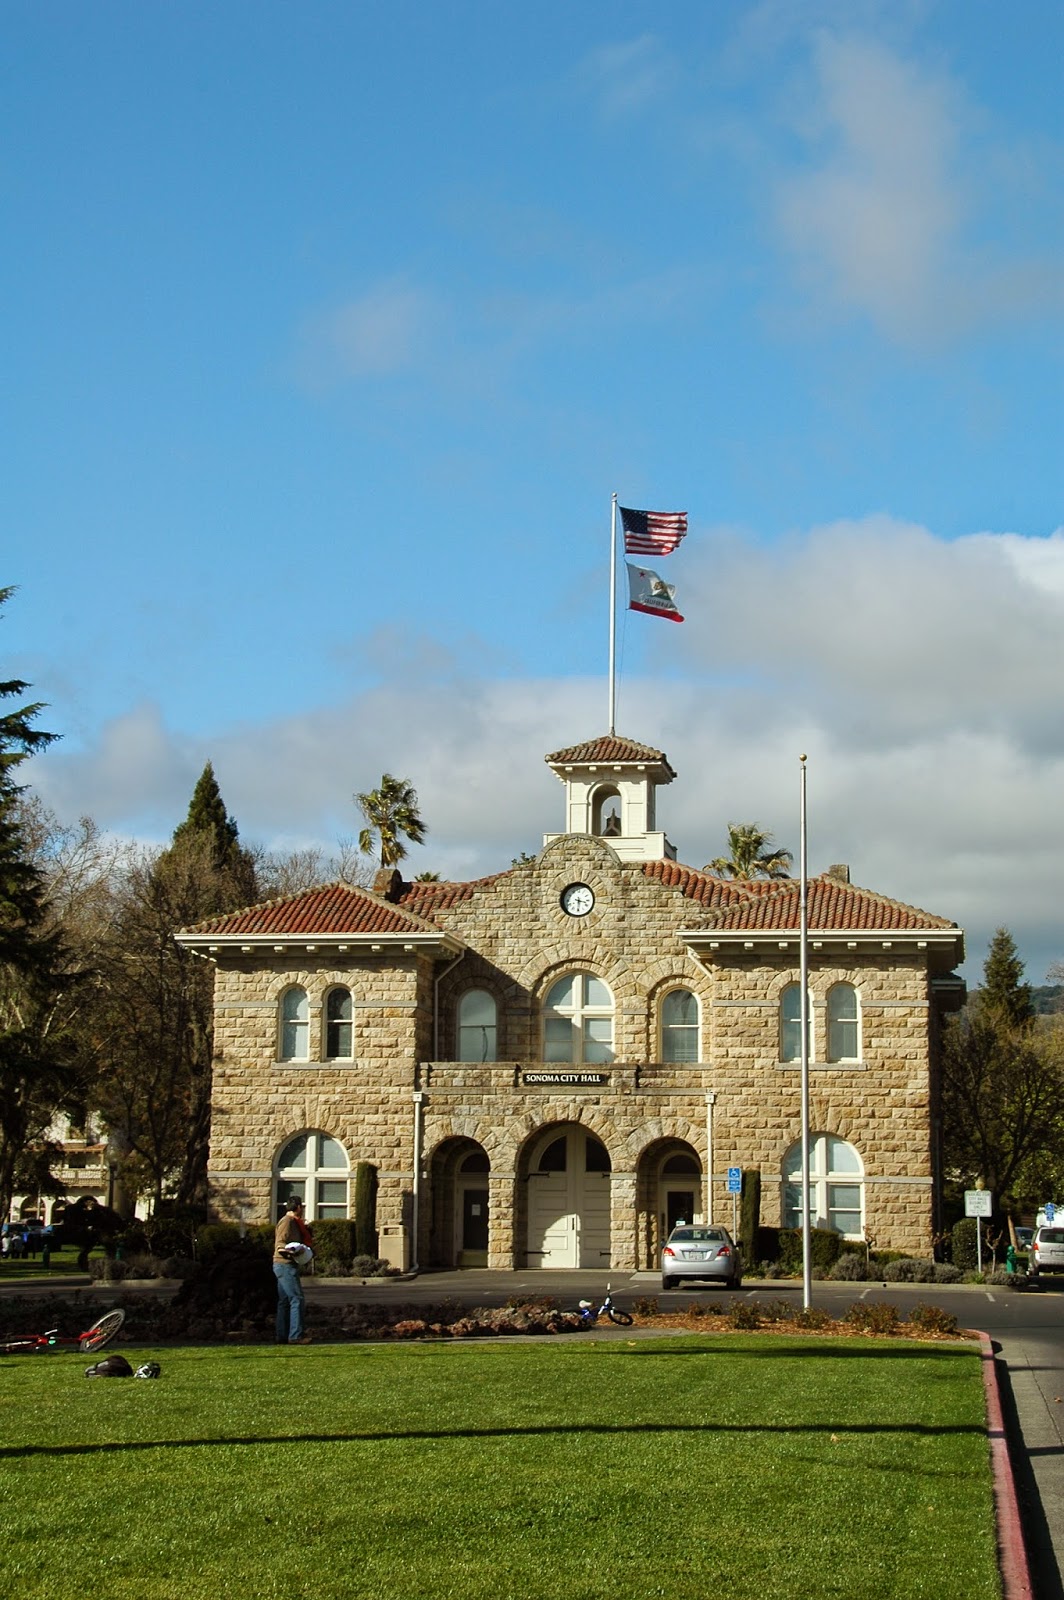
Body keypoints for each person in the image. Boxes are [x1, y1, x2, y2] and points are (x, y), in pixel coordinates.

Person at [273, 1196, 313, 1344]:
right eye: (301, 1206)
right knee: (297, 1299)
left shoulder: (294, 1223)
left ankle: (282, 1335)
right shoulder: (287, 1222)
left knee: (284, 1301)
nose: (301, 1209)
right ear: (297, 1207)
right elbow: (280, 1245)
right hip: (285, 1265)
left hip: (282, 1265)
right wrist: (295, 1253)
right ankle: (296, 1335)